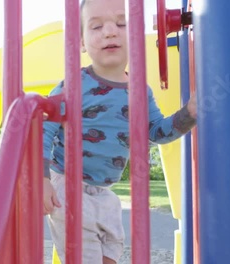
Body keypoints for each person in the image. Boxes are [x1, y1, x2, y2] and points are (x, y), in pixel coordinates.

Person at [42, 0, 197, 263]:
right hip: (66, 184)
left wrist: (189, 114)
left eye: (122, 23)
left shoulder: (140, 91)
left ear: (137, 37)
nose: (110, 31)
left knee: (112, 253)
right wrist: (43, 179)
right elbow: (45, 130)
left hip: (105, 192)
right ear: (81, 43)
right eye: (97, 26)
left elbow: (157, 132)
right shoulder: (74, 84)